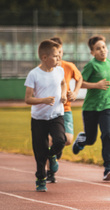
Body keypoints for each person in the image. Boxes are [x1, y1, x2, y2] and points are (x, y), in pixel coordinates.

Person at [72, 35, 110, 181]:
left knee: (107, 134)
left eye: (104, 47)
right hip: (90, 108)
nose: (102, 50)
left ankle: (109, 168)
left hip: (107, 106)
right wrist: (96, 85)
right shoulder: (91, 65)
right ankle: (82, 140)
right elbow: (80, 82)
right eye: (98, 49)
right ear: (92, 52)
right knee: (91, 139)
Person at [25, 39, 67, 192]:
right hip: (39, 118)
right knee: (40, 150)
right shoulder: (34, 75)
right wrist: (43, 100)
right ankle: (41, 178)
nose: (58, 59)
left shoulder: (59, 70)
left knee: (60, 140)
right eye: (55, 56)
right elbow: (27, 99)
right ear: (44, 57)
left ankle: (52, 156)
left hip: (56, 114)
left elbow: (63, 83)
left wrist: (63, 95)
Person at [46, 36, 83, 183]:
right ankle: (50, 172)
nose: (58, 55)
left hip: (65, 109)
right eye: (55, 52)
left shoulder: (68, 66)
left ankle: (57, 149)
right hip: (49, 111)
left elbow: (79, 78)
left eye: (60, 51)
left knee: (67, 140)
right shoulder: (45, 69)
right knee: (49, 140)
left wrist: (74, 92)